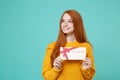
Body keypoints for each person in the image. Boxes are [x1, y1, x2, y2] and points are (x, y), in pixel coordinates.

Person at [42, 10, 96, 80]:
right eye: (63, 21)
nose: (65, 24)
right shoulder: (52, 47)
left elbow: (89, 77)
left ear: (77, 23)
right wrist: (56, 69)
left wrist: (85, 69)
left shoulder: (86, 47)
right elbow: (47, 77)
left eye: (70, 21)